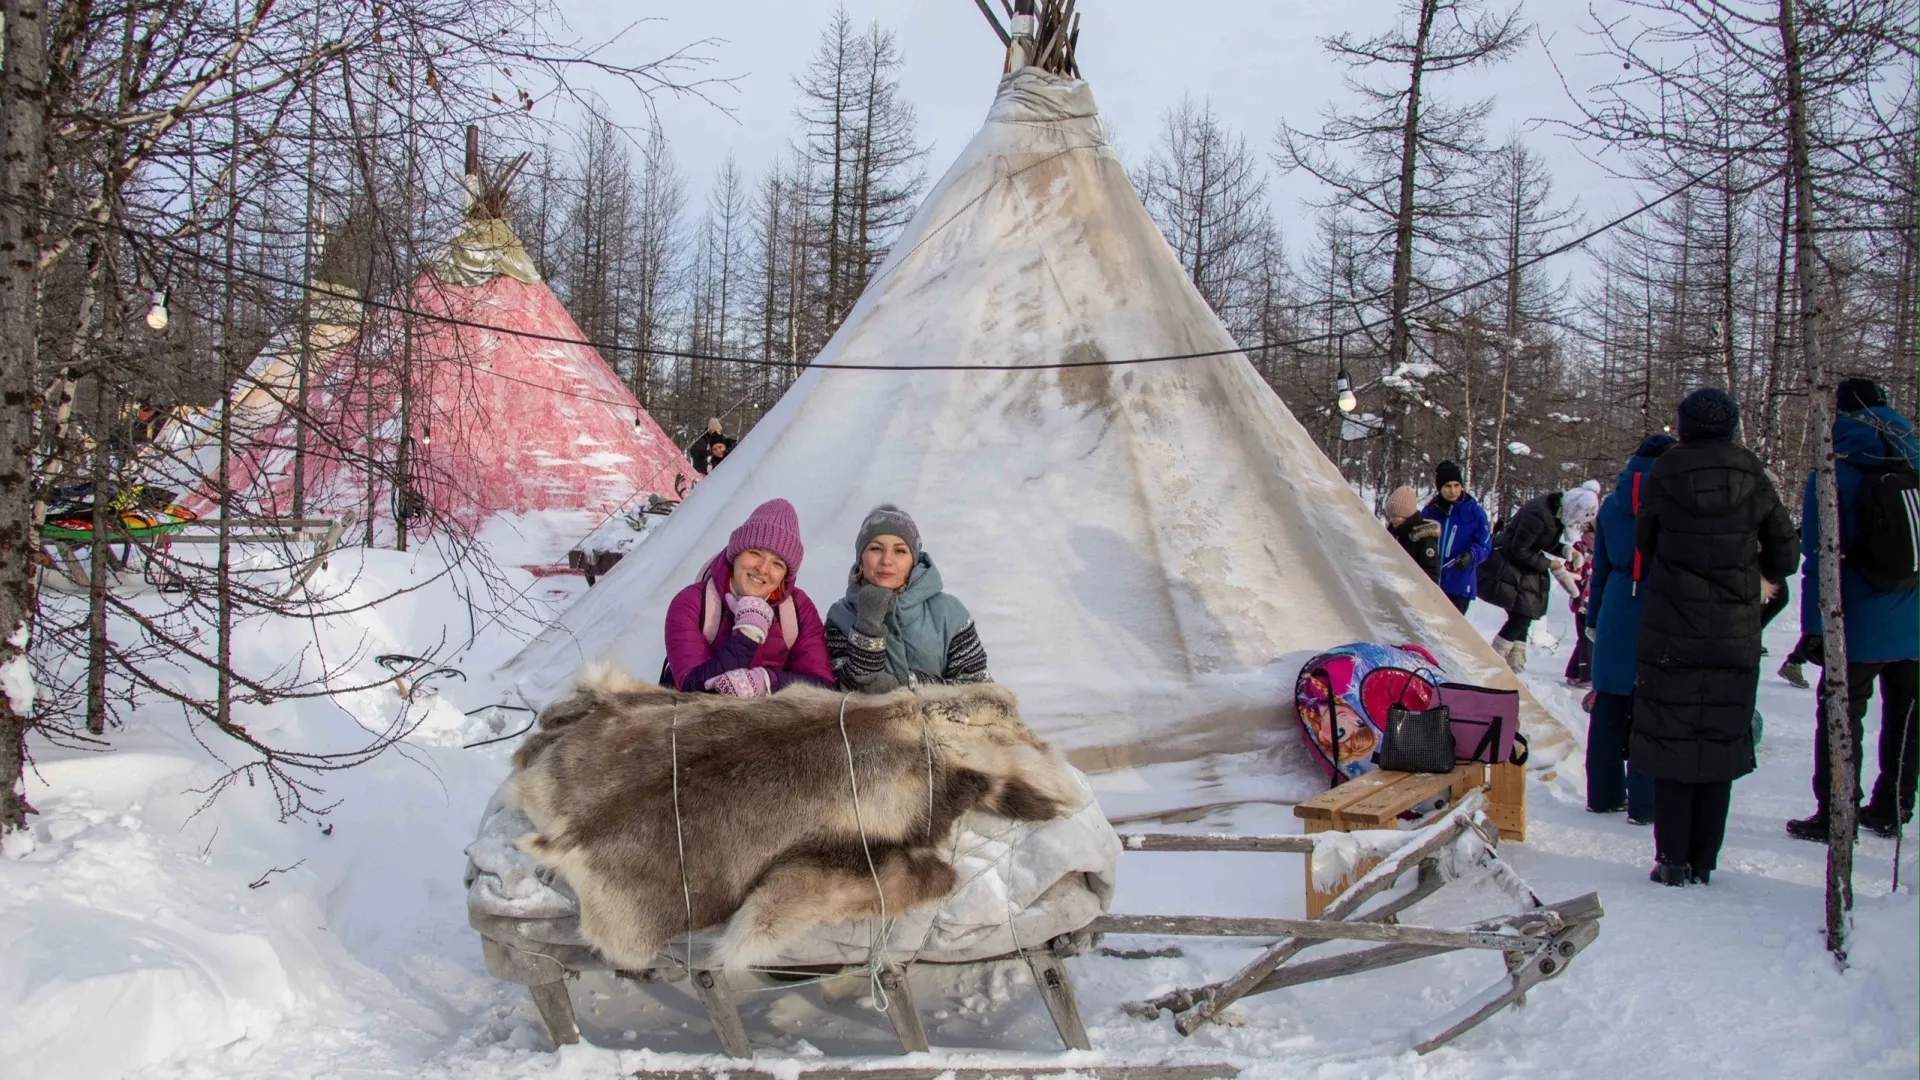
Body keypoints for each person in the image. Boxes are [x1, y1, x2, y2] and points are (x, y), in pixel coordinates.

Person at [1633, 387, 1798, 885]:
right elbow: (1787, 555)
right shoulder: (1752, 473)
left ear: (1684, 426)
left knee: (1671, 739)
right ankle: (1705, 860)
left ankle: (1672, 859)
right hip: (1734, 628)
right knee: (1720, 741)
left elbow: (1646, 539)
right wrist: (1751, 573)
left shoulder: (1666, 470)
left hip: (1672, 625)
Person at [1786, 378, 1919, 843]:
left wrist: (1815, 627)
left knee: (1842, 714)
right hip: (1915, 615)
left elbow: (1818, 556)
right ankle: (1894, 806)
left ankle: (1835, 810)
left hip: (1860, 617)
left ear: (1841, 413)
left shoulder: (1833, 470)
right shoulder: (1915, 457)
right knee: (1906, 713)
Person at [1586, 434, 1674, 824]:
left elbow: (1600, 567)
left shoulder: (1612, 503)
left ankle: (1602, 794)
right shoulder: (1675, 497)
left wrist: (1593, 618)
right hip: (1660, 602)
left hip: (1617, 602)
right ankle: (1646, 801)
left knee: (1608, 702)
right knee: (1650, 705)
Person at [663, 497, 834, 695]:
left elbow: (823, 687)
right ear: (736, 554)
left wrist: (767, 681)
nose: (762, 569)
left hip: (766, 724)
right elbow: (691, 687)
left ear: (785, 576)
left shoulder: (798, 609)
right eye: (755, 553)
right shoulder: (691, 603)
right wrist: (748, 634)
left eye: (777, 564)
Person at [824, 505, 991, 692]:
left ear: (914, 560)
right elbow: (843, 693)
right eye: (876, 548)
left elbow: (980, 690)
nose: (886, 560)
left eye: (900, 551)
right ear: (861, 559)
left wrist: (907, 684)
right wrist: (868, 624)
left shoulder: (949, 613)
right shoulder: (840, 616)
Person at [1476, 484, 1600, 673]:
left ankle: (1514, 659)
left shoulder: (1555, 511)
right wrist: (1550, 564)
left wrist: (1565, 550)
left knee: (1525, 611)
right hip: (1507, 563)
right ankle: (1495, 657)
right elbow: (1520, 550)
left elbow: (1543, 541)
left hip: (1522, 565)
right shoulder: (1539, 515)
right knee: (1522, 614)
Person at [1422, 461, 1492, 614]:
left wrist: (1471, 554)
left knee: (1450, 632)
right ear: (1440, 487)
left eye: (1456, 485)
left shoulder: (1475, 512)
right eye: (1447, 486)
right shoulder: (1430, 511)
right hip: (1431, 581)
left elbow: (1485, 546)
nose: (1452, 490)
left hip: (1459, 582)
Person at [1384, 485, 1442, 583]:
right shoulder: (1395, 533)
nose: (1391, 519)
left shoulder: (1424, 537)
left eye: (1396, 516)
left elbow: (1431, 574)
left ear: (1407, 515)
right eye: (1390, 516)